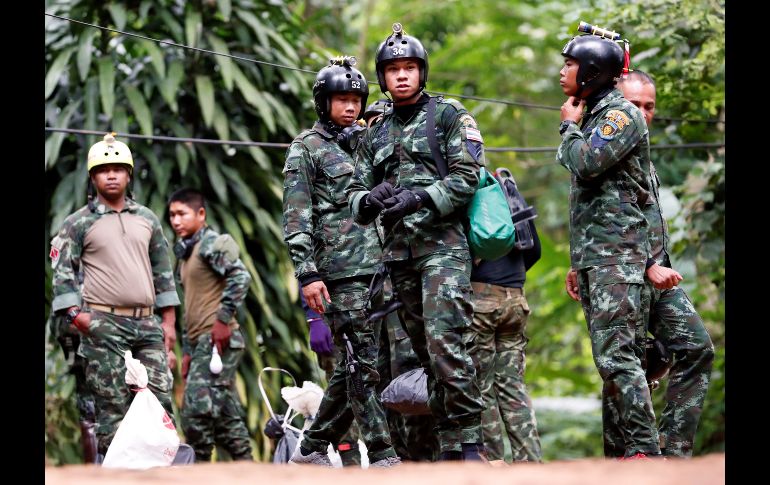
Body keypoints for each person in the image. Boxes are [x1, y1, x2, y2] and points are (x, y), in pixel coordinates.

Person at [346, 23, 486, 461]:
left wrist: (421, 196)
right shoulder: (376, 131)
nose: (401, 76)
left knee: (447, 345)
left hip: (443, 248)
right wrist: (370, 199)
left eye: (409, 68)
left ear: (422, 73)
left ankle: (470, 445)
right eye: (392, 70)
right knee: (426, 356)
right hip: (399, 256)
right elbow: (353, 194)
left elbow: (469, 176)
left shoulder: (447, 115)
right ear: (382, 78)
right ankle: (447, 449)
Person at [565, 70, 714, 458]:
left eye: (649, 107)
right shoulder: (600, 143)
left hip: (654, 271)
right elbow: (593, 213)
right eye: (634, 105)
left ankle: (673, 450)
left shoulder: (639, 156)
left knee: (695, 347)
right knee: (623, 358)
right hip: (627, 268)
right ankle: (629, 456)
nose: (642, 114)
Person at [282, 56, 400, 468]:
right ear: (323, 102)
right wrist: (308, 273)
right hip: (338, 272)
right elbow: (297, 217)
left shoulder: (367, 142)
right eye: (341, 100)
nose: (350, 107)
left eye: (356, 100)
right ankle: (384, 456)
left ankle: (312, 447)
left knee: (362, 365)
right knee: (361, 364)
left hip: (381, 268)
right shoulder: (306, 148)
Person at [556, 33, 662, 459]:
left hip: (617, 256)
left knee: (619, 357)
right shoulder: (597, 114)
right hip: (598, 256)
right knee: (613, 359)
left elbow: (585, 163)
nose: (562, 72)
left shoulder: (619, 116)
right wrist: (577, 261)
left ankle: (645, 451)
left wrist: (568, 125)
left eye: (569, 64)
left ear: (593, 72)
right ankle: (625, 454)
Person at [49, 133, 180, 457]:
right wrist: (77, 317)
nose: (111, 175)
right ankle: (114, 474)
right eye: (104, 169)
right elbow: (62, 270)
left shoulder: (147, 218)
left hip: (146, 323)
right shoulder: (78, 222)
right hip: (102, 322)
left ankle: (164, 473)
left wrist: (169, 322)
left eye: (118, 168)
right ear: (93, 177)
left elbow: (163, 271)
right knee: (112, 407)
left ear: (128, 174)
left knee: (160, 398)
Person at [167, 188, 254, 462]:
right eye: (172, 215)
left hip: (218, 340)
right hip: (201, 343)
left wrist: (222, 320)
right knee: (223, 413)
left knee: (195, 411)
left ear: (201, 214)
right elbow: (190, 307)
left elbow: (241, 276)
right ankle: (247, 466)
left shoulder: (211, 244)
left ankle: (199, 467)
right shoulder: (185, 255)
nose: (176, 221)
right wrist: (189, 351)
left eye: (182, 214)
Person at [467, 180, 543, 463]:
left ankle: (494, 463)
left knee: (482, 388)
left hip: (482, 303)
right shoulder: (510, 190)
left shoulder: (468, 195)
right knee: (513, 386)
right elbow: (534, 250)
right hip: (516, 302)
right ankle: (531, 462)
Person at [300, 283, 362, 467]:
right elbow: (307, 270)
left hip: (372, 312)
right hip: (334, 318)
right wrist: (314, 318)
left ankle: (390, 458)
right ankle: (351, 465)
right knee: (342, 389)